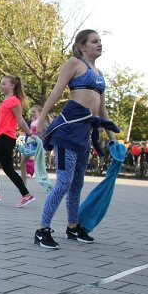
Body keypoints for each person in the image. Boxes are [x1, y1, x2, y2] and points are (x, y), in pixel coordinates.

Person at [34, 29, 118, 249]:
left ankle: (73, 227)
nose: (99, 44)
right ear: (82, 46)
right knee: (63, 182)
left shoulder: (99, 73)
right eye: (94, 41)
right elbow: (56, 91)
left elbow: (102, 110)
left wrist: (112, 139)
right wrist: (42, 119)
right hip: (68, 129)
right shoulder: (74, 63)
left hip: (84, 133)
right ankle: (42, 230)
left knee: (77, 184)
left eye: (100, 41)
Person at [0, 75, 35, 207]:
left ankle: (26, 195)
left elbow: (20, 120)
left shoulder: (14, 101)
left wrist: (30, 134)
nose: (1, 86)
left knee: (8, 169)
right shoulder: (6, 101)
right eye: (1, 84)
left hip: (7, 138)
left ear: (13, 86)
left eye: (4, 84)